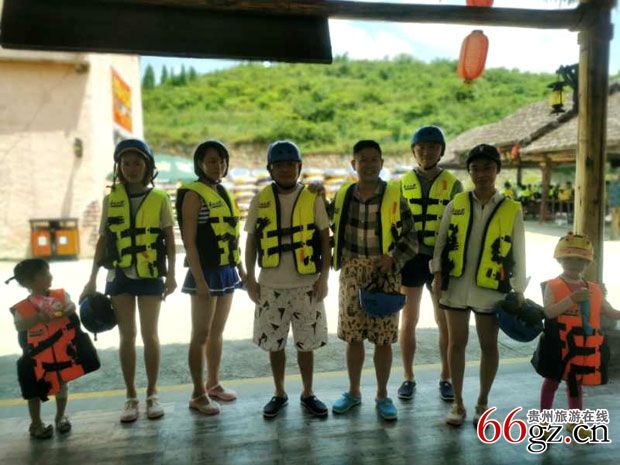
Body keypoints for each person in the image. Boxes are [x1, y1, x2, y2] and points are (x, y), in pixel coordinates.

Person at [80, 139, 177, 422]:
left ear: (147, 166)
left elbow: (170, 240)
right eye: (126, 163)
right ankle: (131, 396)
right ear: (119, 167)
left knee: (150, 335)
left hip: (150, 274)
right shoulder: (111, 200)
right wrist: (92, 279)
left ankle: (152, 394)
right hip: (119, 274)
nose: (132, 168)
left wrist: (172, 274)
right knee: (127, 336)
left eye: (137, 163)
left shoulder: (160, 198)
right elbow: (102, 241)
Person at [431, 144, 526, 427]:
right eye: (475, 169)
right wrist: (437, 275)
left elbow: (519, 251)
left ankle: (482, 401)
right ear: (469, 172)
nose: (481, 174)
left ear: (497, 170)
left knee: (488, 345)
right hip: (456, 285)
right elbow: (441, 242)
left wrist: (519, 289)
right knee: (456, 343)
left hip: (491, 286)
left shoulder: (511, 208)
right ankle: (458, 403)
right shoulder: (456, 203)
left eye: (487, 168)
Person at [331, 139, 419, 421]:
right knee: (353, 337)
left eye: (373, 159)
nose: (368, 165)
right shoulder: (343, 195)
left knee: (383, 339)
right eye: (363, 160)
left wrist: (393, 259)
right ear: (353, 164)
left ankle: (382, 395)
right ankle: (353, 392)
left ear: (381, 163)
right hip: (352, 273)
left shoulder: (395, 196)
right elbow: (330, 228)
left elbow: (411, 238)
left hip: (386, 274)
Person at [245, 140, 331, 419]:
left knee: (306, 345)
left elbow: (324, 239)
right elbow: (251, 241)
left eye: (290, 165)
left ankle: (308, 393)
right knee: (275, 344)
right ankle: (279, 393)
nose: (285, 169)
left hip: (306, 285)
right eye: (279, 165)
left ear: (299, 167)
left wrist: (324, 278)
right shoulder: (260, 199)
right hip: (270, 285)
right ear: (270, 169)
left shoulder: (312, 197)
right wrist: (249, 278)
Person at [176, 140, 245, 415]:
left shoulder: (223, 192)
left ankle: (213, 384)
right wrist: (200, 280)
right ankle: (197, 393)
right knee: (200, 334)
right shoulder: (193, 194)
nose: (218, 165)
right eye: (212, 161)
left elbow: (231, 237)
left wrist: (242, 271)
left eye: (222, 160)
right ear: (200, 164)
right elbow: (189, 242)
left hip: (226, 270)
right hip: (204, 272)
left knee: (217, 332)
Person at [533, 232, 620, 439]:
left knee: (576, 383)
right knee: (551, 382)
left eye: (581, 260)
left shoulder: (594, 289)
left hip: (581, 346)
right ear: (559, 259)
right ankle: (544, 422)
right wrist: (572, 299)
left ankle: (575, 421)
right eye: (570, 258)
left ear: (587, 263)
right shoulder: (553, 285)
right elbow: (549, 312)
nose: (575, 263)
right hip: (558, 344)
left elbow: (608, 311)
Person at [398, 126, 462, 402]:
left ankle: (446, 377)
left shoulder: (453, 184)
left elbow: (459, 225)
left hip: (441, 260)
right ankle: (408, 377)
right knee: (409, 318)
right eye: (421, 148)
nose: (426, 152)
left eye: (433, 147)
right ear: (414, 151)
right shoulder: (401, 184)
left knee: (442, 320)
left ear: (441, 151)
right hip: (411, 259)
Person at [8, 259, 76, 439]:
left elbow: (71, 306)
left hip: (59, 353)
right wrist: (38, 317)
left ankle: (60, 417)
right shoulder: (22, 307)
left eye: (49, 272)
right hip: (37, 358)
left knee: (61, 383)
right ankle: (36, 423)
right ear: (28, 283)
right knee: (33, 390)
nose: (50, 276)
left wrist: (68, 310)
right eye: (44, 274)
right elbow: (19, 325)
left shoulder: (60, 295)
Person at [608, 173, 620, 240]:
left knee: (614, 221)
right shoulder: (615, 185)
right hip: (617, 205)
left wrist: (610, 205)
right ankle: (615, 237)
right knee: (616, 221)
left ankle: (613, 237)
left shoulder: (612, 185)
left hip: (613, 205)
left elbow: (610, 195)